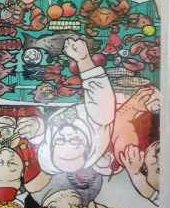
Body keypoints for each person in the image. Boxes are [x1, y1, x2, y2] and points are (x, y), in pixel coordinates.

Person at [32, 38, 117, 174]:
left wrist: (35, 128)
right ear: (88, 145)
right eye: (74, 141)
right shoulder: (102, 118)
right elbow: (98, 87)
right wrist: (83, 59)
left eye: (60, 140)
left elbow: (38, 135)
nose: (66, 133)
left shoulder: (51, 138)